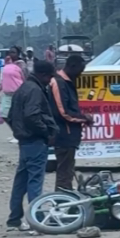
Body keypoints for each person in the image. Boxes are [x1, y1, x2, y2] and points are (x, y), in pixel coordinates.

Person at [5, 60, 56, 231]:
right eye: (49, 77)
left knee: (21, 181)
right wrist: (46, 133)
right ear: (43, 75)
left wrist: (19, 132)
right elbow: (32, 116)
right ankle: (37, 219)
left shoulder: (23, 88)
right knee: (35, 182)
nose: (50, 81)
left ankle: (14, 219)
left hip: (24, 141)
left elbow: (10, 115)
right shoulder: (35, 90)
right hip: (35, 140)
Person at [47, 54, 86, 192]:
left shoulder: (67, 82)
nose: (80, 74)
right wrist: (84, 118)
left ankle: (65, 200)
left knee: (67, 171)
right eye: (80, 71)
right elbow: (62, 112)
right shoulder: (59, 83)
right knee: (64, 173)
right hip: (64, 135)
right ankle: (62, 203)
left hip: (69, 135)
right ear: (72, 66)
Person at [0, 49, 24, 123]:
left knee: (17, 114)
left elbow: (25, 78)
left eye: (14, 52)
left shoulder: (21, 65)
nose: (11, 54)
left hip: (18, 94)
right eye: (10, 52)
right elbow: (3, 79)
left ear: (18, 54)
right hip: (7, 94)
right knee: (4, 114)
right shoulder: (7, 64)